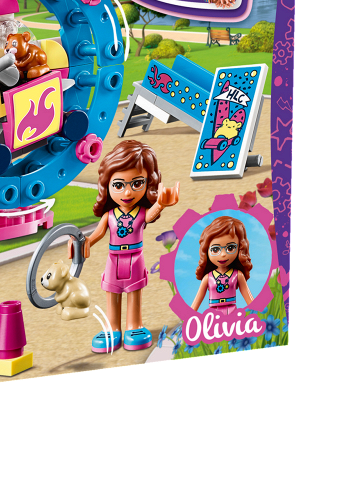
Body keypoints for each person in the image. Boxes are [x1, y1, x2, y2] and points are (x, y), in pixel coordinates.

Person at [71, 140, 179, 352]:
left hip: (135, 257)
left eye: (136, 184)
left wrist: (161, 203)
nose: (127, 193)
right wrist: (84, 242)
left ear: (148, 183)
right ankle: (112, 328)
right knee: (112, 291)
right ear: (107, 185)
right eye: (119, 185)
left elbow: (150, 215)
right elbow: (97, 234)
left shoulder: (141, 213)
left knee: (134, 292)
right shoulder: (110, 215)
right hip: (113, 258)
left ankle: (134, 326)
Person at [190, 215, 254, 314]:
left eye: (230, 248)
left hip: (232, 311)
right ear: (206, 250)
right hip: (213, 313)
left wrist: (258, 313)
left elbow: (250, 300)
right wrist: (188, 317)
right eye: (215, 249)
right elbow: (196, 302)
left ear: (240, 248)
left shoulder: (238, 275)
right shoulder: (208, 278)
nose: (223, 254)